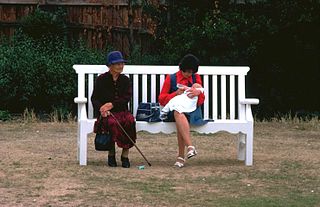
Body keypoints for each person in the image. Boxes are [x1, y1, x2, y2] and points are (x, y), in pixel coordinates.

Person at [158, 54, 206, 168]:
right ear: (181, 69)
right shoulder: (171, 78)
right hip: (174, 110)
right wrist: (175, 94)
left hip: (193, 111)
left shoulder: (196, 78)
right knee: (178, 112)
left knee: (179, 115)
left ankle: (181, 157)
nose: (189, 74)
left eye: (192, 72)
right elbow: (161, 99)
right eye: (187, 72)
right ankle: (190, 147)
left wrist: (198, 93)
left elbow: (201, 100)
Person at [91, 51, 136, 168]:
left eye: (122, 63)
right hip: (106, 113)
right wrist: (102, 108)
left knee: (129, 121)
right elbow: (94, 98)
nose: (121, 66)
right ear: (110, 65)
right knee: (110, 122)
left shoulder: (125, 80)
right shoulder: (101, 79)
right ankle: (111, 155)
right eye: (117, 64)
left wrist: (112, 104)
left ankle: (125, 155)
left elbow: (126, 98)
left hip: (121, 110)